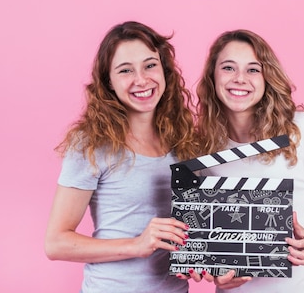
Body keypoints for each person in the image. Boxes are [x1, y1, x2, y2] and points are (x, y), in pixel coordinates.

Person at [191, 29, 304, 292]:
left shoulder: (302, 132)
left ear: (267, 78)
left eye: (253, 70)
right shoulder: (203, 145)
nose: (240, 79)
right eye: (228, 67)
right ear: (212, 76)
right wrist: (215, 272)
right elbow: (205, 235)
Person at [44, 21, 200, 293]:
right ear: (109, 83)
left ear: (164, 70)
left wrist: (204, 258)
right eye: (126, 70)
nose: (141, 79)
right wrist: (136, 245)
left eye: (150, 65)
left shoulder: (183, 140)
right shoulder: (91, 144)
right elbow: (56, 243)